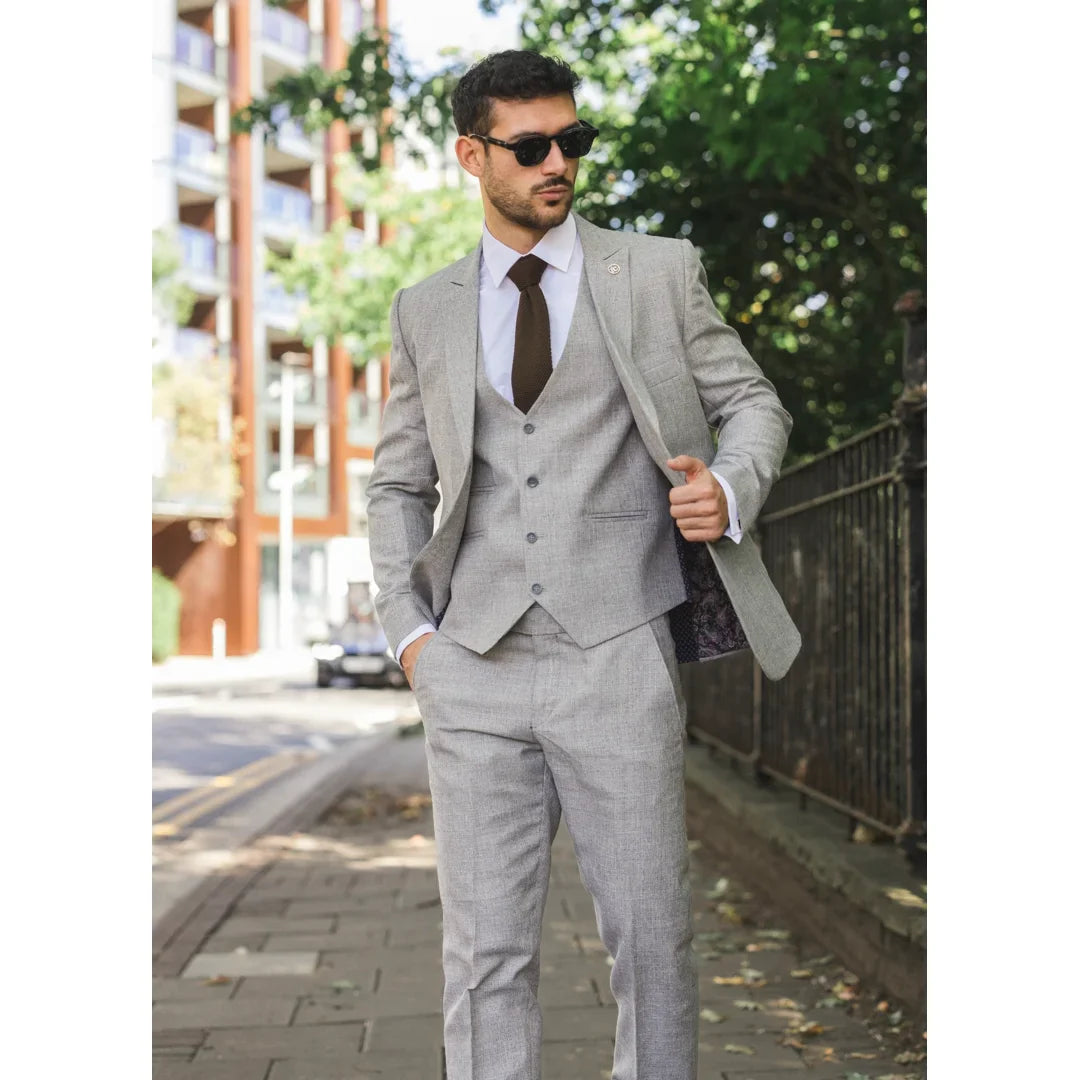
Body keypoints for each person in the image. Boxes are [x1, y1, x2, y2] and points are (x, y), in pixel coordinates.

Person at [366, 49, 801, 1080]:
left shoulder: (655, 273)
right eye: (530, 146)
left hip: (618, 651)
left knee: (652, 942)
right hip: (470, 661)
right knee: (486, 956)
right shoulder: (424, 309)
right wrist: (410, 635)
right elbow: (395, 486)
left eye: (574, 140)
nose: (558, 161)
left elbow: (754, 405)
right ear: (474, 155)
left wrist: (729, 488)